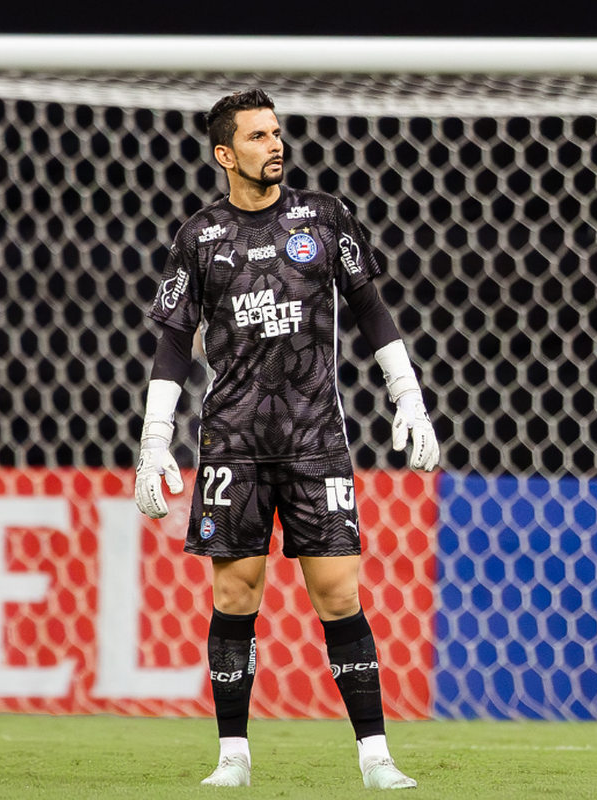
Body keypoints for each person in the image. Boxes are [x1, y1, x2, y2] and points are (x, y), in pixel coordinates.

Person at [134, 89, 439, 790]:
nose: (274, 144)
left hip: (315, 438)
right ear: (225, 153)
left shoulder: (323, 218)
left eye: (276, 132)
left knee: (337, 593)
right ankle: (233, 756)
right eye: (258, 136)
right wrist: (155, 443)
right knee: (236, 595)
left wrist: (409, 399)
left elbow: (371, 308)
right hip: (233, 443)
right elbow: (175, 341)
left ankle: (376, 757)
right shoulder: (199, 236)